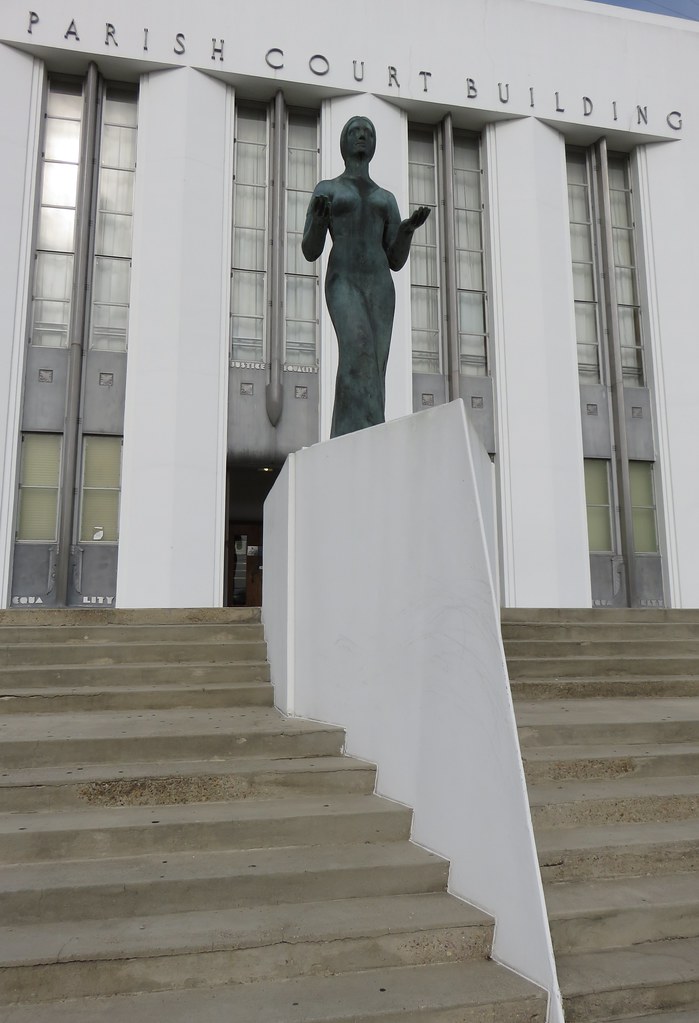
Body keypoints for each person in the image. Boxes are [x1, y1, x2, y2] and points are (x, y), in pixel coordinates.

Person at [302, 116, 430, 438]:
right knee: (357, 349)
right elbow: (309, 249)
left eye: (368, 133)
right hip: (343, 278)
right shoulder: (328, 189)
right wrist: (319, 223)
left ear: (374, 145)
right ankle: (353, 437)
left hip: (379, 285)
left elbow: (396, 260)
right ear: (343, 142)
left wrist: (407, 232)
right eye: (354, 132)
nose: (361, 136)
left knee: (375, 364)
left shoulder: (385, 198)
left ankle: (369, 437)